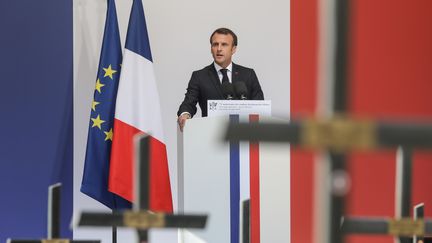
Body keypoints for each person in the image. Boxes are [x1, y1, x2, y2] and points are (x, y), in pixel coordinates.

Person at [177, 27, 264, 131]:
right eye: (215, 44)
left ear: (233, 49)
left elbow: (259, 106)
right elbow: (188, 103)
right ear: (211, 48)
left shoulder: (248, 74)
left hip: (244, 135)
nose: (219, 49)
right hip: (210, 135)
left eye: (224, 44)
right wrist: (185, 114)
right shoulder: (199, 76)